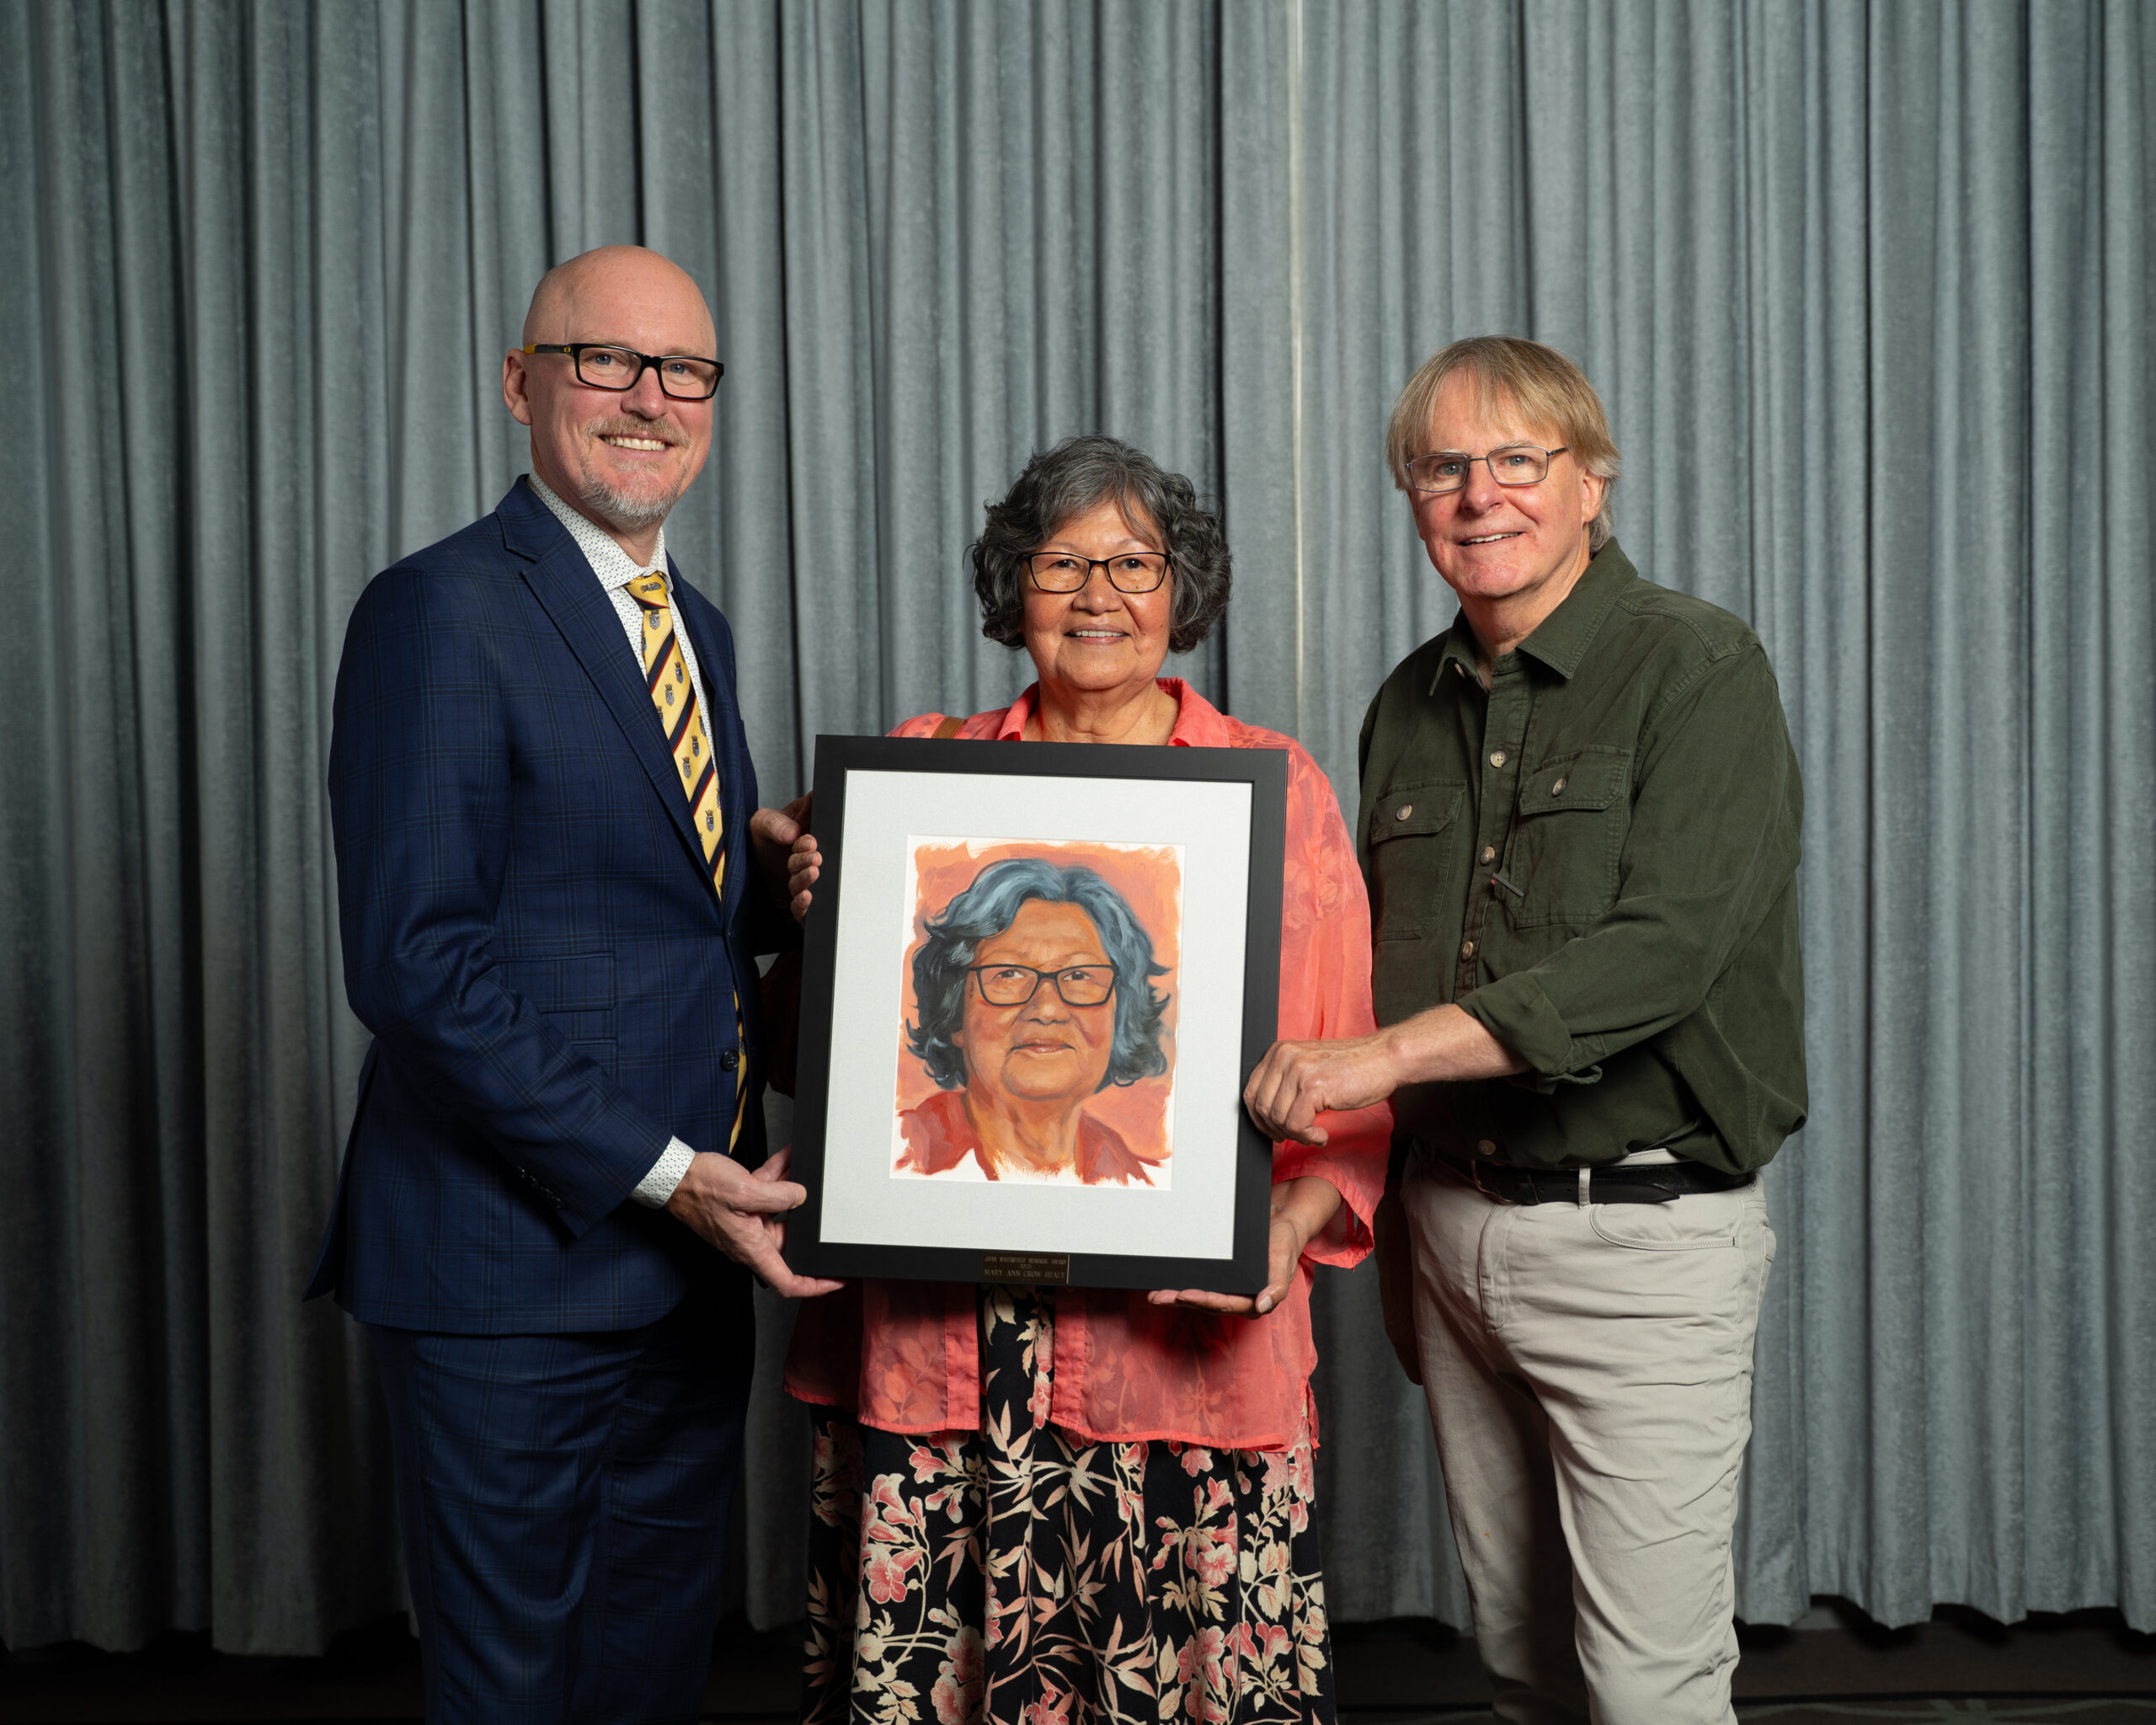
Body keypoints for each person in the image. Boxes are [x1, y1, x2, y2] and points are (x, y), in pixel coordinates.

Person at [778, 435, 1391, 1725]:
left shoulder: (1280, 795)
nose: (1098, 593)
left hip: (1190, 1355)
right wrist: (818, 920)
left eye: (1132, 562)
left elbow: (1352, 1097)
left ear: (1182, 590)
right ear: (1015, 590)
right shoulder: (921, 772)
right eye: (1061, 563)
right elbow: (825, 1060)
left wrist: (1279, 1230)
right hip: (946, 1360)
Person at [305, 244, 838, 1724]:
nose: (648, 398)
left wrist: (774, 879)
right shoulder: (442, 610)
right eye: (605, 359)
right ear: (520, 382)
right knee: (516, 1687)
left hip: (685, 1270)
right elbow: (418, 960)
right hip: (510, 1270)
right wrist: (668, 1173)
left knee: (646, 1675)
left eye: (685, 372)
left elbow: (643, 904)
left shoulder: (693, 623)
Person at [1243, 336, 1806, 1725]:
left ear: (1591, 481)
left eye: (1518, 459)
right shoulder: (1403, 704)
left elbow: (1661, 955)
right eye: (1442, 465)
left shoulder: (1698, 665)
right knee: (1524, 1658)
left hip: (1642, 1239)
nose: (1479, 493)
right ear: (1411, 493)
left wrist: (1382, 1061)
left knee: (1649, 1684)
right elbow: (1347, 951)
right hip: (1447, 1237)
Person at [898, 857, 1171, 1185]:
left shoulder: (1142, 1182)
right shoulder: (900, 1154)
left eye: (1079, 975)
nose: (1046, 1009)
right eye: (1009, 974)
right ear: (955, 1013)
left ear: (1120, 1011)